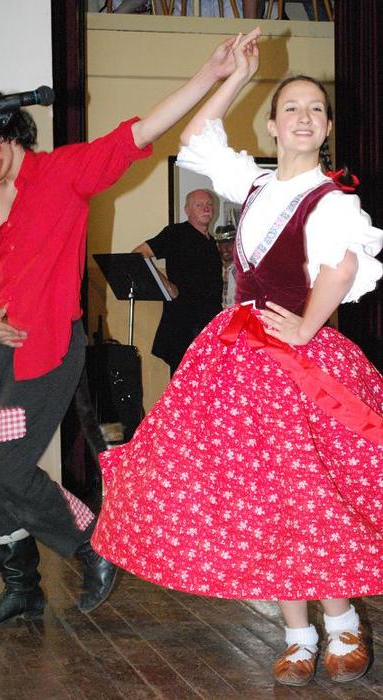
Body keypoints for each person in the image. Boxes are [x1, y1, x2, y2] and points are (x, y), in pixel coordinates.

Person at [91, 29, 383, 687]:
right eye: (291, 108)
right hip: (238, 362)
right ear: (272, 126)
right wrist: (236, 77)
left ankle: (341, 625)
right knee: (267, 496)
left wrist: (306, 328)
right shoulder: (251, 183)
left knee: (308, 491)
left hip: (298, 364)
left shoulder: (331, 197)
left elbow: (341, 266)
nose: (304, 117)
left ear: (326, 127)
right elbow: (199, 133)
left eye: (316, 109)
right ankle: (297, 634)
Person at [0, 32, 255, 631]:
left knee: (6, 467)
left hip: (45, 351)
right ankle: (22, 588)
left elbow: (140, 133)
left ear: (8, 131)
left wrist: (212, 74)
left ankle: (93, 545)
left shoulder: (62, 173)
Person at [133, 189, 222, 375]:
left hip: (209, 324)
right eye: (199, 205)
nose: (206, 208)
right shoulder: (176, 233)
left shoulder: (211, 242)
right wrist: (165, 285)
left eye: (209, 204)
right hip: (184, 325)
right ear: (187, 210)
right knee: (183, 382)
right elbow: (139, 254)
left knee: (207, 381)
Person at [213, 222, 237, 308]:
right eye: (222, 244)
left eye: (229, 243)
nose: (226, 248)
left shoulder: (240, 270)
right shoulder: (215, 269)